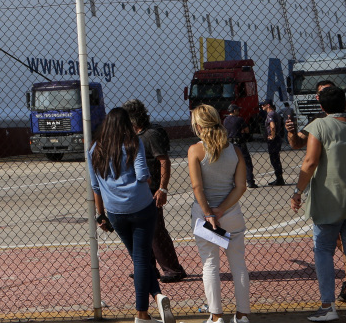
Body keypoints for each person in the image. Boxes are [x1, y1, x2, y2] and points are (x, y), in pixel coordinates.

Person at [286, 84, 346, 303]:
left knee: (323, 250)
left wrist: (297, 191)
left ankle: (327, 305)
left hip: (329, 199)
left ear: (321, 104)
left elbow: (309, 161)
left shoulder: (318, 125)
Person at [90, 108, 174, 323]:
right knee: (142, 258)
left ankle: (156, 297)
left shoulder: (95, 150)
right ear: (127, 124)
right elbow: (143, 175)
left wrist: (101, 215)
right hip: (141, 207)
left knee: (139, 259)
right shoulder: (134, 143)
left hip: (115, 211)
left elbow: (96, 187)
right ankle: (142, 314)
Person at [187, 105, 251, 323]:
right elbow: (240, 186)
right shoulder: (234, 150)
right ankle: (242, 315)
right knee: (238, 264)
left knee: (210, 264)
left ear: (197, 126)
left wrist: (209, 213)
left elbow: (198, 187)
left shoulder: (195, 150)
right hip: (231, 212)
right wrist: (222, 209)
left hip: (204, 215)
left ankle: (216, 316)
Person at [122, 99, 187, 283]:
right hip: (140, 191)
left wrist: (163, 188)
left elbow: (164, 161)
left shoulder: (150, 136)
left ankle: (173, 269)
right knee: (142, 232)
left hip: (151, 190)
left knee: (156, 232)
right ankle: (149, 268)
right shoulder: (136, 136)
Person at [222, 105, 257, 189]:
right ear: (234, 111)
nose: (238, 112)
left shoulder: (225, 120)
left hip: (229, 144)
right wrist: (242, 131)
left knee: (232, 164)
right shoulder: (239, 119)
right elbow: (247, 130)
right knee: (247, 163)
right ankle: (250, 181)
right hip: (239, 143)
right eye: (237, 110)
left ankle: (233, 182)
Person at [263, 100, 286, 186]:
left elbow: (272, 126)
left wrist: (272, 136)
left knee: (274, 159)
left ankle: (279, 179)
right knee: (276, 159)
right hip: (277, 139)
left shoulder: (270, 114)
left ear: (268, 105)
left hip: (273, 140)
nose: (262, 107)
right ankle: (279, 178)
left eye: (263, 105)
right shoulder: (275, 113)